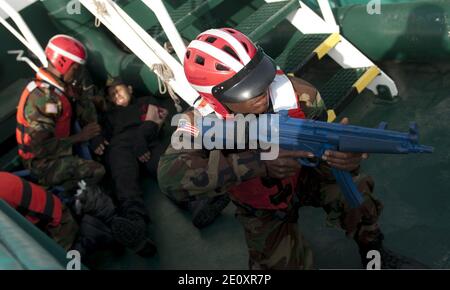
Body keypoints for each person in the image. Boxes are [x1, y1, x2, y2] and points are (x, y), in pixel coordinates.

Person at [157, 28, 427, 269]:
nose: (262, 90)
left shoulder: (301, 95)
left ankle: (374, 256)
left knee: (356, 193)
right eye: (246, 90)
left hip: (305, 176)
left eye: (261, 75)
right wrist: (257, 162)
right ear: (212, 96)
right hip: (260, 205)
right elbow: (169, 179)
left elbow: (323, 146)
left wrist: (345, 158)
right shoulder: (198, 123)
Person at [15, 34, 155, 258]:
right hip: (43, 163)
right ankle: (100, 216)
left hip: (66, 148)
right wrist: (80, 138)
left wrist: (98, 123)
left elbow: (85, 103)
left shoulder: (63, 87)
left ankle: (107, 217)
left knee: (107, 168)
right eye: (76, 68)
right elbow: (39, 148)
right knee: (96, 171)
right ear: (64, 64)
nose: (79, 72)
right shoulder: (43, 99)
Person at [99, 77, 169, 250]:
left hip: (146, 141)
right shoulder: (108, 116)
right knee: (124, 180)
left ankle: (195, 202)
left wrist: (141, 138)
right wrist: (96, 139)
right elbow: (100, 135)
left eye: (119, 89)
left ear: (130, 88)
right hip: (120, 146)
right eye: (111, 94)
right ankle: (136, 226)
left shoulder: (144, 102)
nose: (116, 95)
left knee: (165, 168)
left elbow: (156, 118)